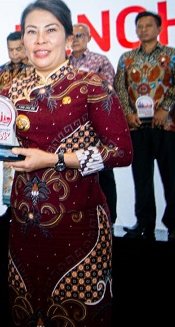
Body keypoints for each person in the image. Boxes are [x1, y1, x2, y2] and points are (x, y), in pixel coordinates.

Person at [7, 0, 133, 326]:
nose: (40, 40)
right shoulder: (11, 90)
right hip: (24, 225)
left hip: (79, 225)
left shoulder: (92, 85)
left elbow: (121, 151)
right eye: (31, 31)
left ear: (68, 37)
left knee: (77, 316)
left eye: (50, 30)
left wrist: (56, 159)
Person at [114, 10, 175, 243]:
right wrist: (128, 113)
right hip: (137, 127)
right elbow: (120, 87)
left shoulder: (173, 55)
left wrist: (165, 108)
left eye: (148, 25)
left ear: (159, 29)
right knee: (142, 178)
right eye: (140, 26)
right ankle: (144, 222)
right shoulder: (126, 58)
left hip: (167, 125)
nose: (143, 29)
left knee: (172, 177)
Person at [68, 23, 119, 223]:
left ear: (89, 38)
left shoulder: (100, 61)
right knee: (73, 176)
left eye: (80, 35)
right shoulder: (61, 63)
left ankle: (109, 220)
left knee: (103, 173)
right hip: (69, 130)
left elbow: (106, 89)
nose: (75, 39)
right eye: (72, 36)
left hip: (95, 127)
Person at [0, 31, 33, 214]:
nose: (15, 53)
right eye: (11, 49)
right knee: (8, 166)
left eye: (18, 49)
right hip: (6, 127)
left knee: (28, 167)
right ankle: (10, 208)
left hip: (29, 126)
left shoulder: (34, 68)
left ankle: (27, 208)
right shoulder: (0, 71)